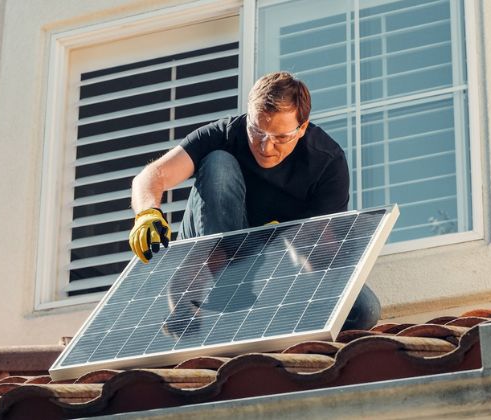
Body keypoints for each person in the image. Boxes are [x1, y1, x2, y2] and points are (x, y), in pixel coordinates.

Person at [128, 71, 380, 330]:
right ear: (248, 117)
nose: (265, 147)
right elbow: (152, 175)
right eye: (257, 131)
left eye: (281, 137)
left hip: (278, 262)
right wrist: (147, 213)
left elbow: (324, 254)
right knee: (218, 162)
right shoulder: (224, 134)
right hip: (216, 252)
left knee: (362, 310)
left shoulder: (326, 162)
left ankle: (252, 295)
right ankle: (219, 285)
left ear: (302, 128)